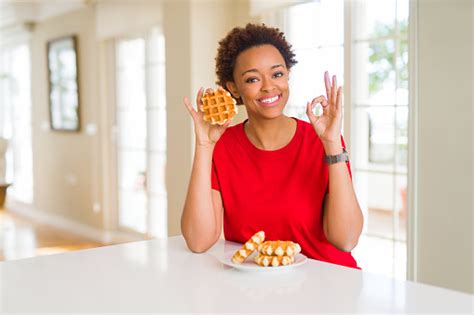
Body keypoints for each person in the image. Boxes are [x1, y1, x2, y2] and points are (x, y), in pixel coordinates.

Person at [181, 23, 363, 269]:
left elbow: (346, 240)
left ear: (288, 75)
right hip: (256, 290)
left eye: (277, 74)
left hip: (328, 284)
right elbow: (198, 241)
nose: (268, 86)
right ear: (233, 87)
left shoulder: (322, 141)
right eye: (253, 78)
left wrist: (332, 144)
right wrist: (204, 145)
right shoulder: (221, 146)